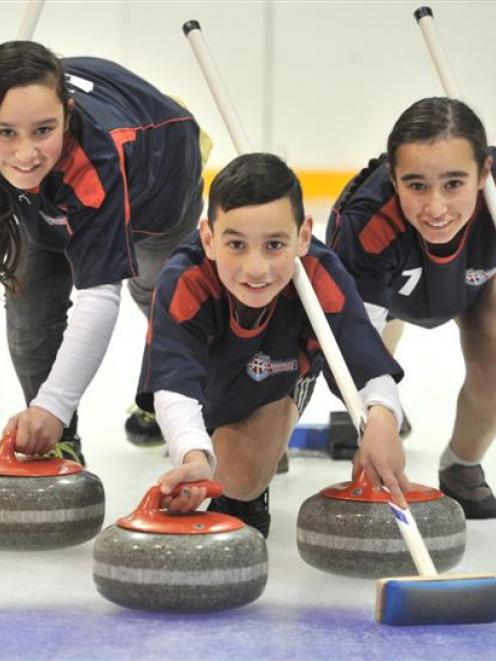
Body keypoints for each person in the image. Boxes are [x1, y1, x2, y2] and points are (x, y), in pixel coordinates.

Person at [136, 152, 409, 538]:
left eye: (275, 245)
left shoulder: (319, 273)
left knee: (241, 479)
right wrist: (194, 457)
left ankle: (266, 437)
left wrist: (381, 421)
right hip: (212, 382)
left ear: (303, 236)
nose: (256, 268)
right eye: (236, 245)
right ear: (208, 239)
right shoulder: (185, 279)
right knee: (210, 448)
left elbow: (364, 358)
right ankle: (235, 439)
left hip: (278, 374)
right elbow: (174, 383)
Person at [0, 40, 211, 464]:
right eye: (6, 132)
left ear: (67, 114)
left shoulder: (96, 160)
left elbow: (98, 297)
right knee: (29, 303)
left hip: (159, 183)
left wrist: (52, 404)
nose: (24, 152)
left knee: (161, 298)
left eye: (43, 129)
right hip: (47, 199)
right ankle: (58, 439)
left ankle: (180, 403)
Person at [326, 97, 496, 519]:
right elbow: (352, 336)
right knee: (371, 345)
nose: (436, 208)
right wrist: (380, 411)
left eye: (454, 184)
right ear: (393, 177)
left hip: (476, 284)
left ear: (484, 173)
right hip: (389, 285)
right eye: (416, 185)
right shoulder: (367, 224)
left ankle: (462, 462)